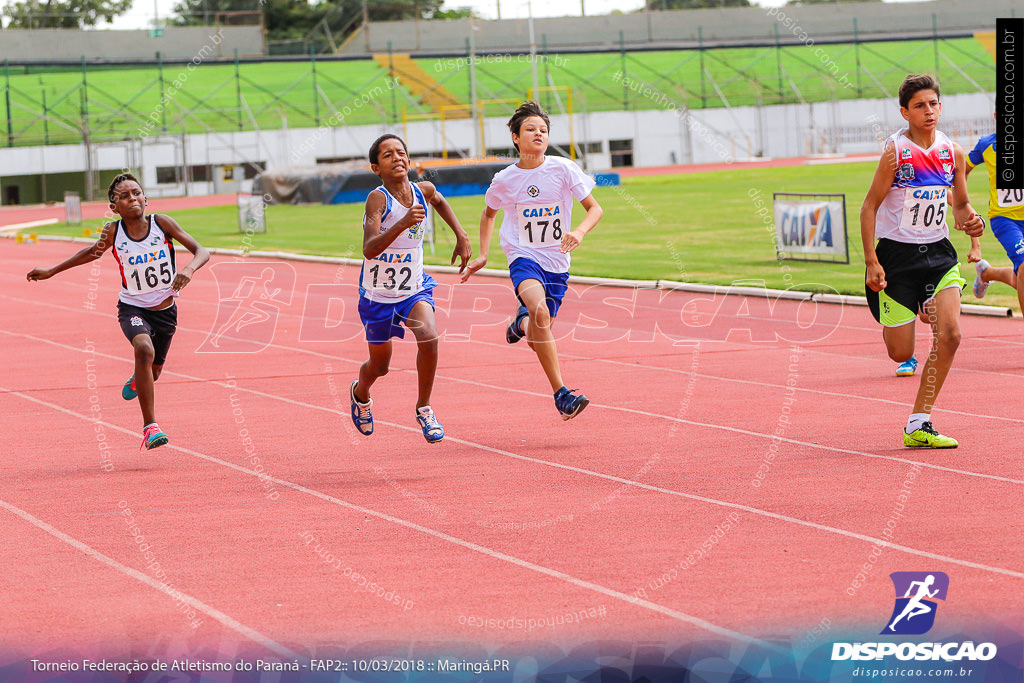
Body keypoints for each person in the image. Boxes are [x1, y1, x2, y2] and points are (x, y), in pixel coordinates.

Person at [27, 172, 210, 450]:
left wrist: (188, 269)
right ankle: (151, 428)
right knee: (144, 350)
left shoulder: (162, 223)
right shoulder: (114, 232)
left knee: (154, 372)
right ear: (114, 207)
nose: (132, 198)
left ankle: (139, 377)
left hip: (165, 311)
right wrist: (52, 271)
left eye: (136, 193)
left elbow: (201, 251)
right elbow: (91, 252)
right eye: (123, 196)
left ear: (145, 198)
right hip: (132, 307)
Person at [861, 74, 985, 449]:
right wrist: (871, 262)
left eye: (933, 104)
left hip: (938, 254)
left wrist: (971, 220)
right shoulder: (895, 152)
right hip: (895, 257)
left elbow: (959, 204)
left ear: (940, 107)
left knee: (951, 335)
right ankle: (907, 305)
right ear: (905, 112)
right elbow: (869, 207)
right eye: (919, 106)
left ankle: (919, 422)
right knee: (900, 352)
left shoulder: (954, 153)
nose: (928, 111)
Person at [460, 101, 603, 420]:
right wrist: (484, 254)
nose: (538, 133)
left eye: (543, 130)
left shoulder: (563, 169)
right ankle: (562, 394)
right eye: (530, 129)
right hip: (523, 256)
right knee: (539, 311)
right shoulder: (505, 179)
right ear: (515, 137)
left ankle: (519, 323)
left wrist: (578, 232)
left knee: (539, 333)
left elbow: (595, 208)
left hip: (557, 263)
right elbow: (488, 215)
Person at [350, 134, 472, 443]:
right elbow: (368, 249)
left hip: (413, 288)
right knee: (380, 367)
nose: (397, 158)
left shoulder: (423, 190)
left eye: (401, 152)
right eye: (388, 155)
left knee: (429, 336)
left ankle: (424, 407)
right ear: (376, 168)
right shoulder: (378, 199)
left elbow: (439, 200)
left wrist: (461, 234)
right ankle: (360, 393)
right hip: (378, 296)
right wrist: (403, 223)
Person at [965, 117, 1024, 313]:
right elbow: (961, 171)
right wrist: (962, 206)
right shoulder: (987, 144)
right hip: (1005, 219)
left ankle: (986, 272)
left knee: (1021, 278)